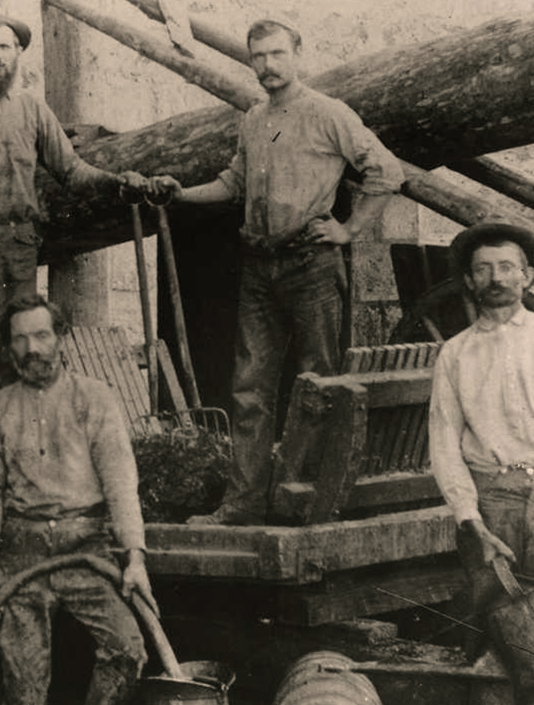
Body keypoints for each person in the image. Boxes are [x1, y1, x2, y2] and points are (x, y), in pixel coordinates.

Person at [160, 20, 404, 525]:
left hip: (311, 264)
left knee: (320, 383)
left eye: (276, 54)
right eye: (258, 57)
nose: (267, 66)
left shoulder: (328, 113)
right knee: (250, 390)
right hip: (259, 266)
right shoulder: (254, 119)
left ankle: (314, 500)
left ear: (298, 53)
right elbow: (233, 183)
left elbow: (387, 172)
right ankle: (242, 504)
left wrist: (348, 229)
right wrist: (181, 195)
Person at [0, 14, 160, 448]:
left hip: (17, 247)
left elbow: (70, 169)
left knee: (16, 356)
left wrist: (114, 180)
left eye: (5, 47)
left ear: (18, 54)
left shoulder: (34, 111)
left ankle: (15, 461)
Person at [428, 222, 534, 705]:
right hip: (491, 504)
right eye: (483, 269)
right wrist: (471, 520)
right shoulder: (455, 355)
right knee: (493, 639)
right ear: (468, 281)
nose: (495, 277)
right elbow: (443, 445)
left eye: (507, 267)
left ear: (527, 276)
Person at [0, 295, 151, 705]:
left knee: (127, 650)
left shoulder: (96, 398)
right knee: (23, 685)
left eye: (41, 335)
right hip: (22, 556)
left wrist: (135, 558)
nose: (31, 348)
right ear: (8, 347)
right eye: (20, 339)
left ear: (61, 337)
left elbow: (121, 483)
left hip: (86, 547)